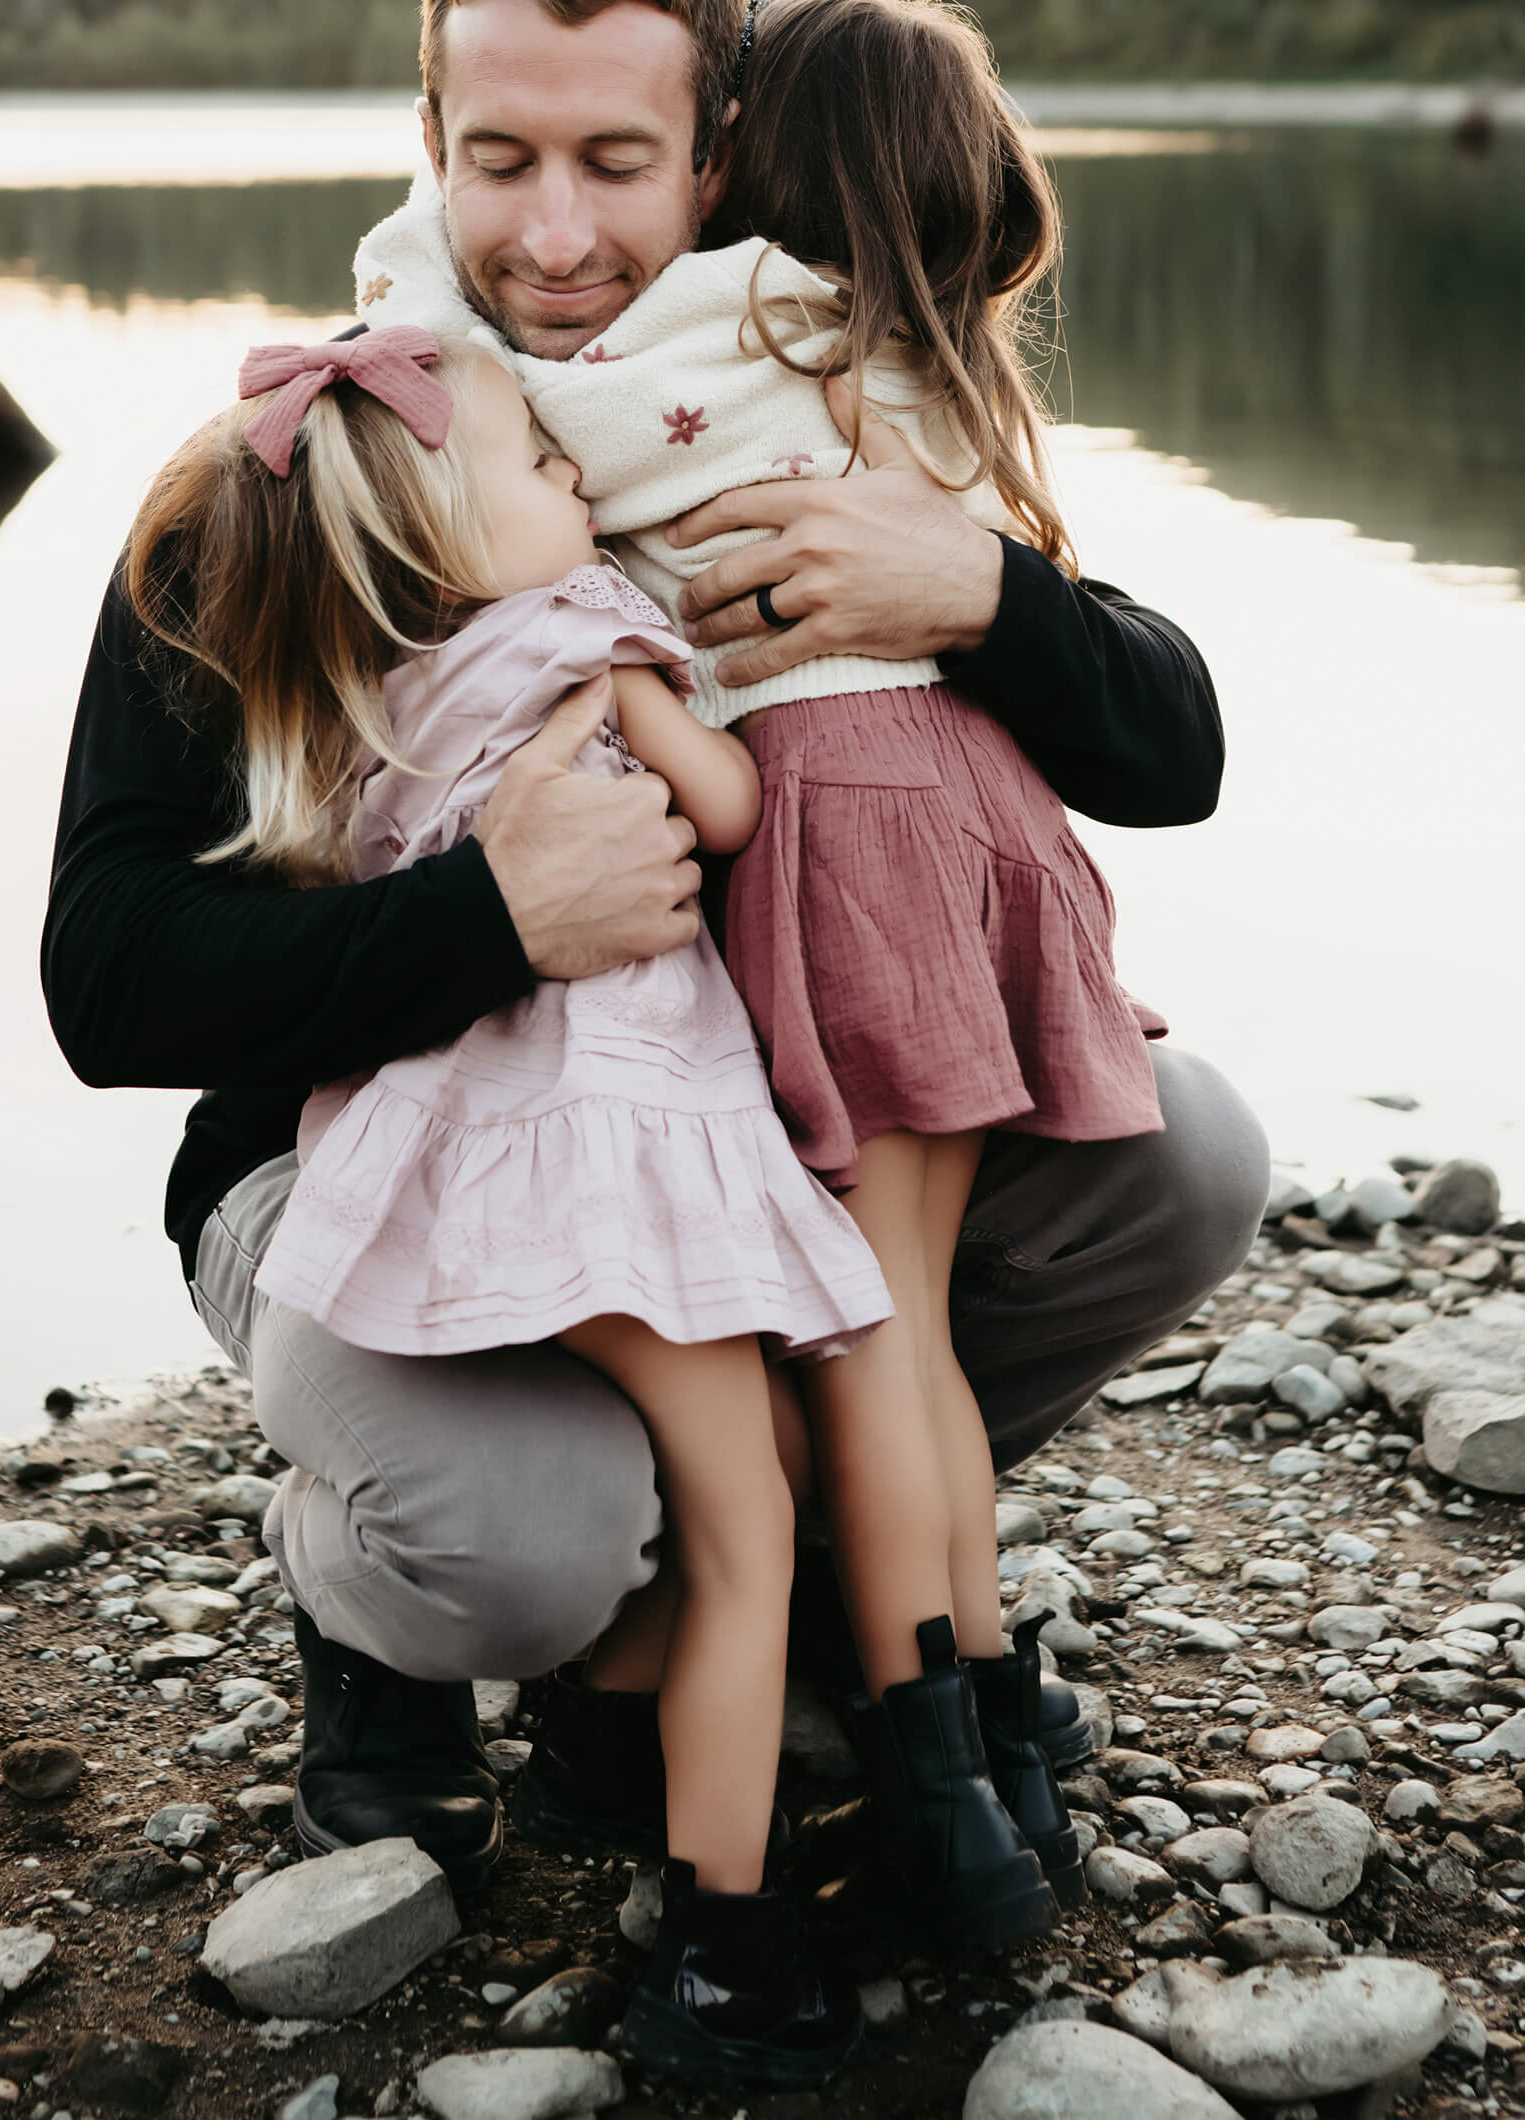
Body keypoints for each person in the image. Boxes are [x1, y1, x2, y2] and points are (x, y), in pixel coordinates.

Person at [41, 0, 1270, 1916]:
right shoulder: (321, 456)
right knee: (517, 1535)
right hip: (373, 1147)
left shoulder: (771, 396)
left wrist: (979, 595)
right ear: (427, 136)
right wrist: (486, 915)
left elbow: (1173, 745)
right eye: (495, 156)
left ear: (712, 152)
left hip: (730, 1129)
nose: (550, 233)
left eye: (614, 162)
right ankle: (376, 1622)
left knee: (1182, 1157)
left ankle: (792, 1584)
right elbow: (106, 978)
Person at [124, 325, 1056, 2083]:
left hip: (476, 1168)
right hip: (632, 1147)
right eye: (543, 472)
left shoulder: (361, 686)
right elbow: (726, 807)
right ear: (445, 532)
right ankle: (723, 1937)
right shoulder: (587, 640)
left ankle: (671, 1814)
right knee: (748, 1527)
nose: (578, 479)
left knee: (744, 1496)